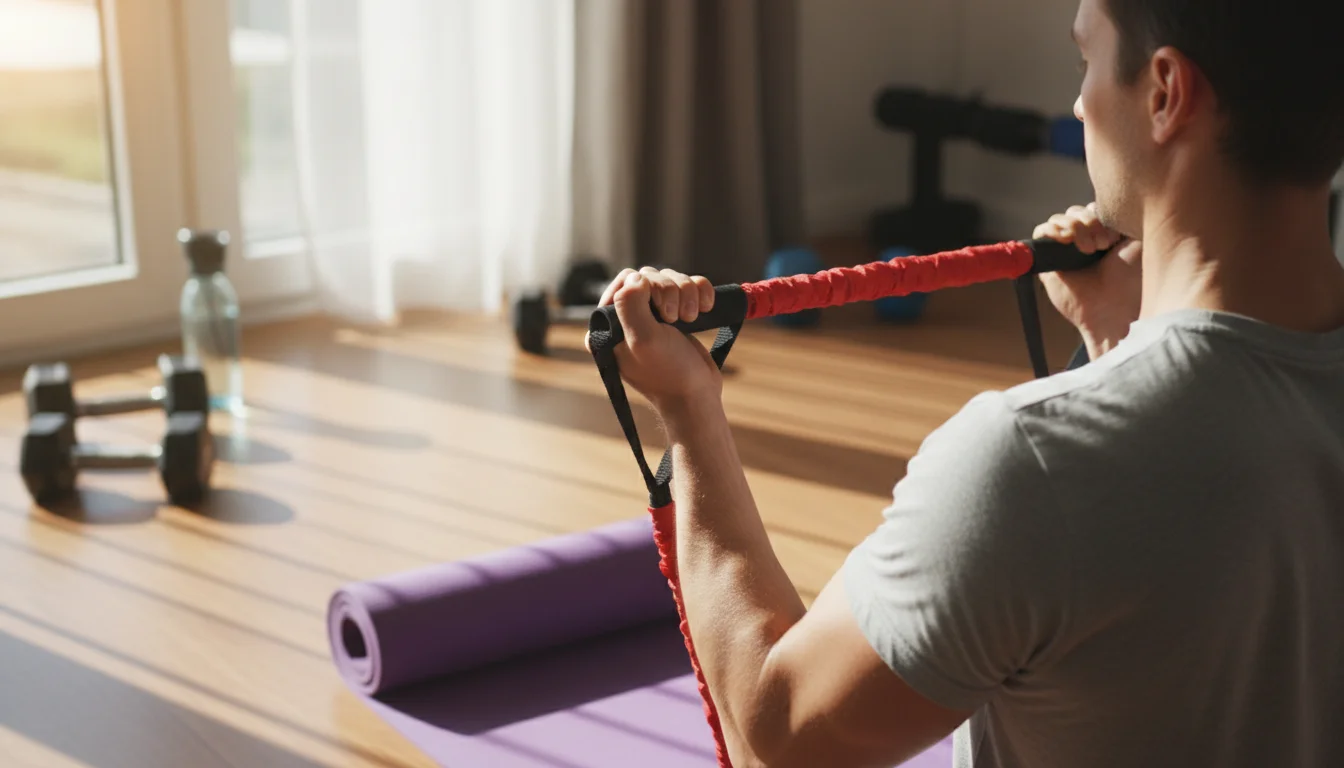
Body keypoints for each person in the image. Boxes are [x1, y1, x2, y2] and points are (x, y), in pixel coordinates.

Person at [589, 0, 1344, 765]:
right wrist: (1120, 344)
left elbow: (778, 738)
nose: (1079, 102)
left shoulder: (1031, 461)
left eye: (1085, 59)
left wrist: (688, 411)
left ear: (1164, 93)